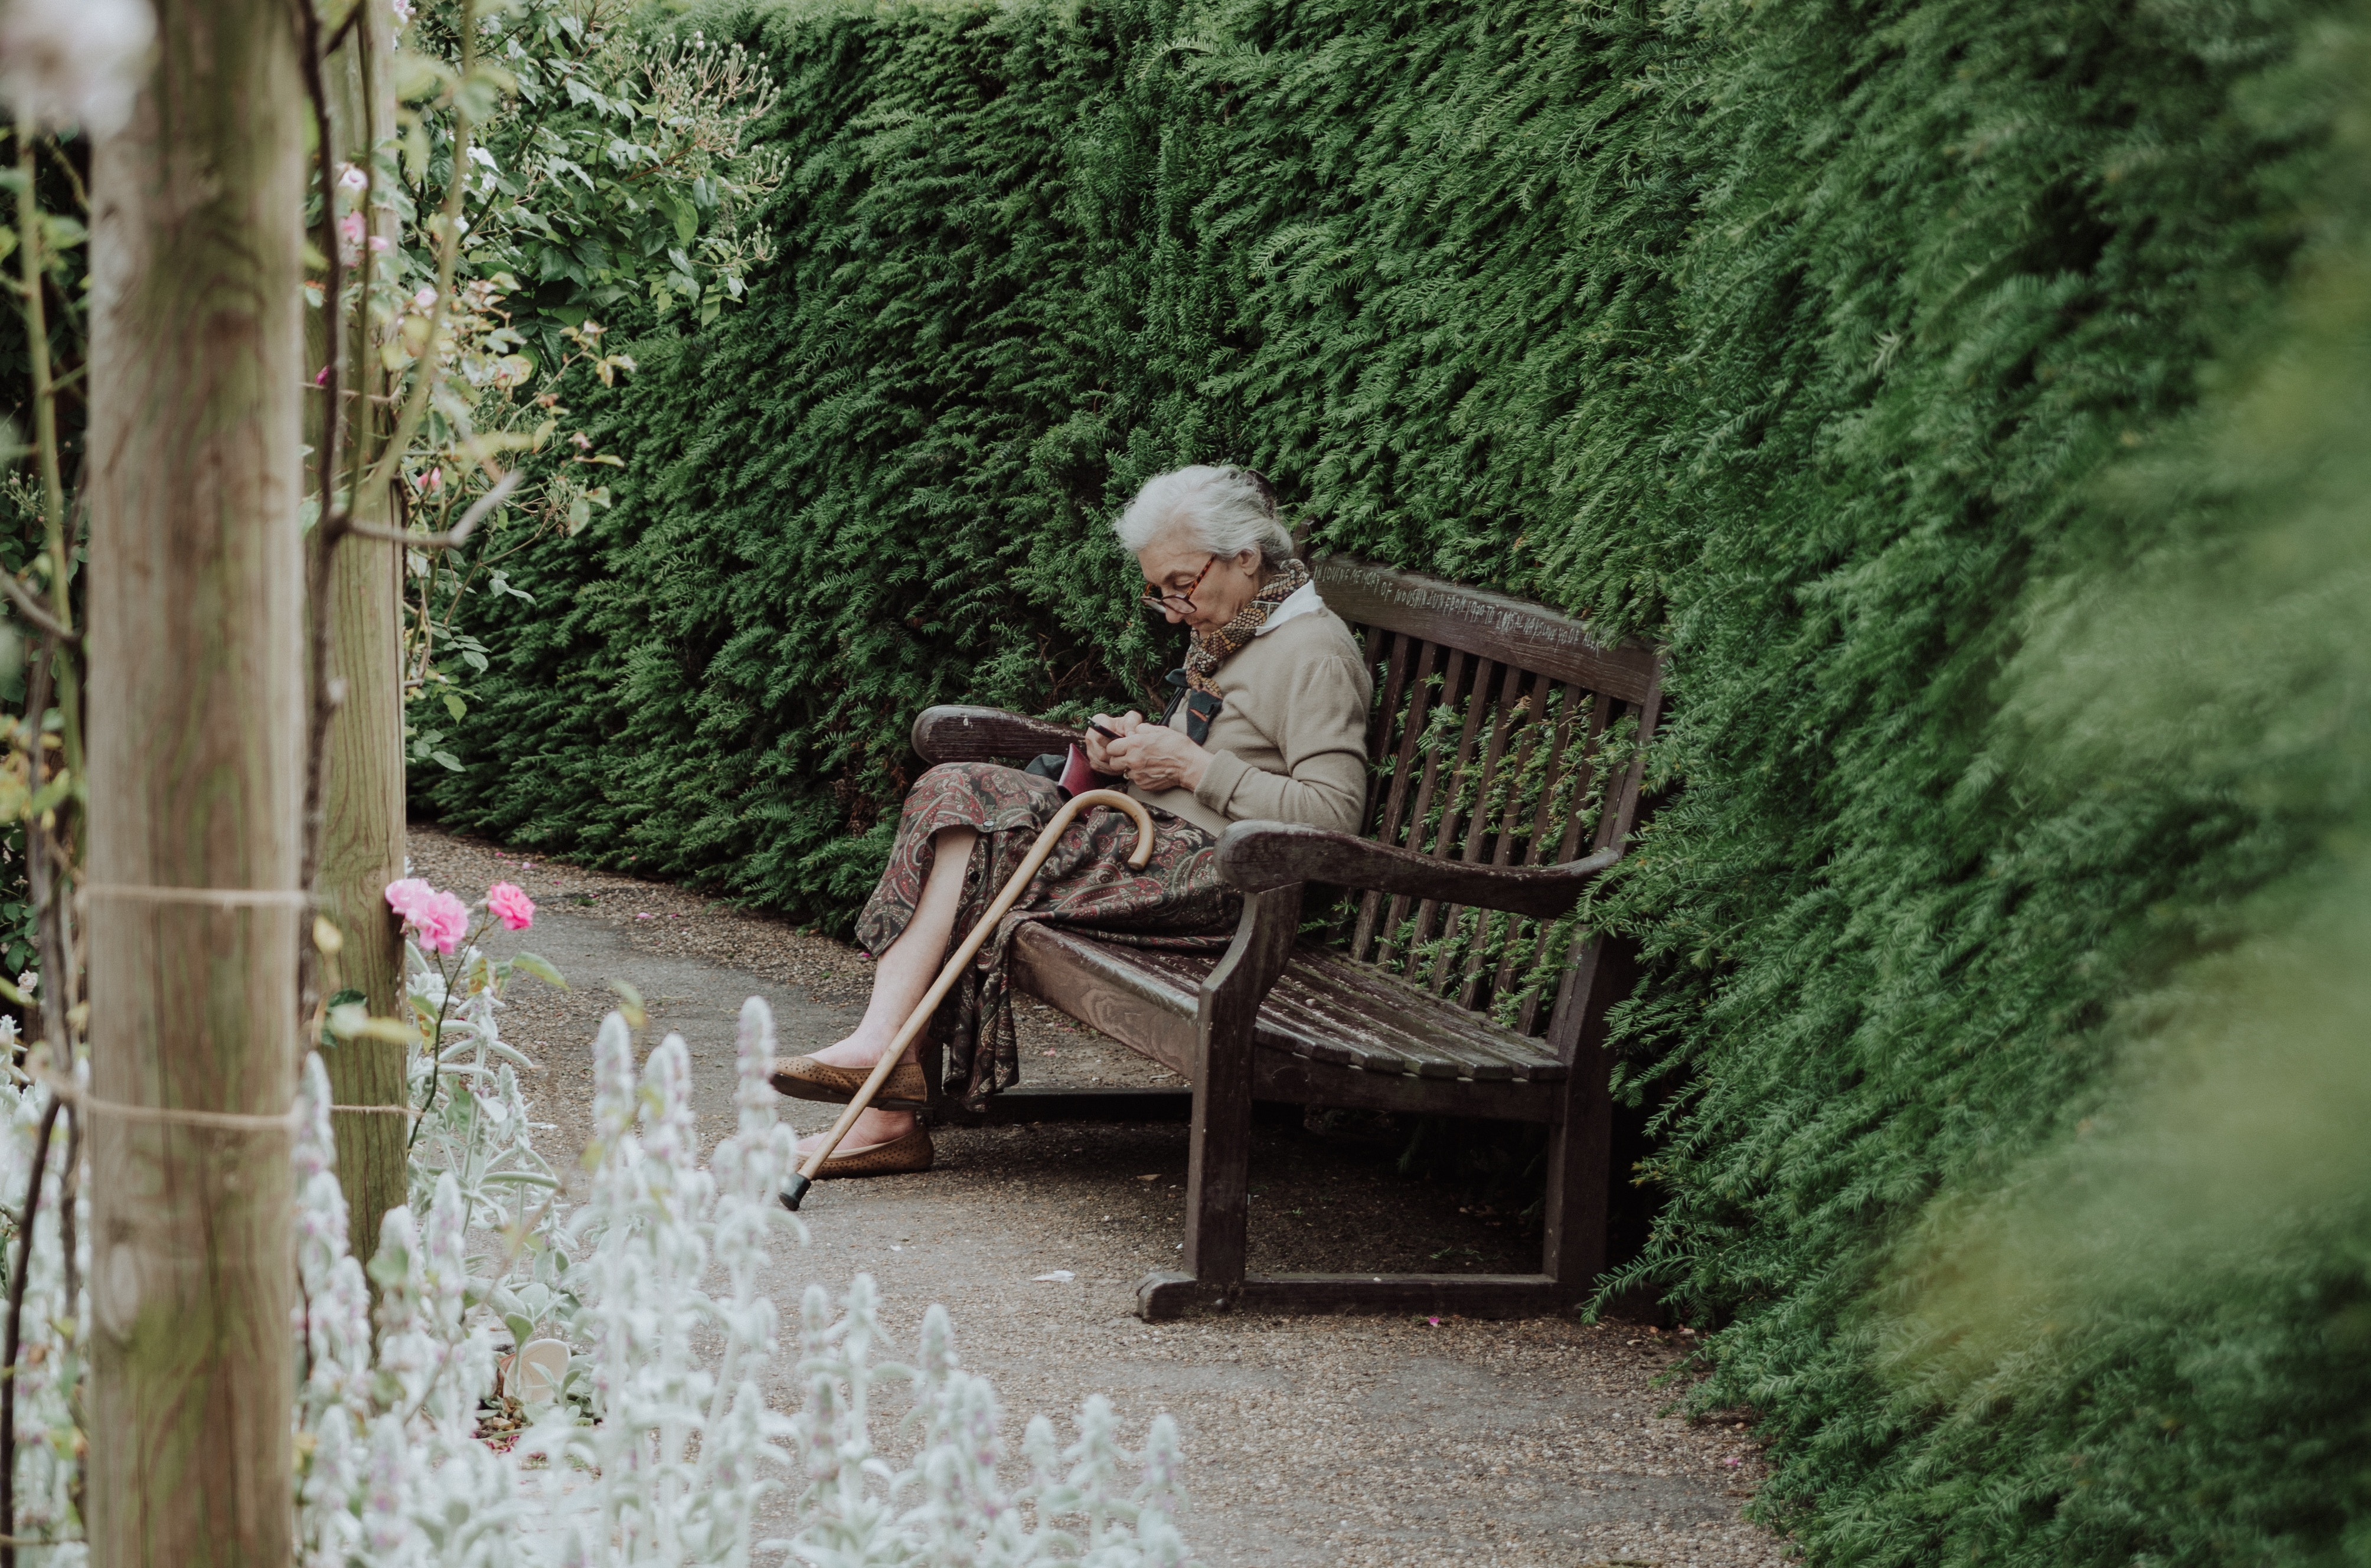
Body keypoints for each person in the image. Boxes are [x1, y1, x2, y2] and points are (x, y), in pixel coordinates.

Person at [770, 464, 1374, 1175]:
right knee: (957, 800)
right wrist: (1129, 756)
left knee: (968, 807)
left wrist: (1188, 768)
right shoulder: (1237, 626)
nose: (1172, 606)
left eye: (1181, 584)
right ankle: (885, 1078)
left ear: (1246, 555)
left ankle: (885, 1094)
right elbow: (1215, 756)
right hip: (1155, 846)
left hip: (1225, 882)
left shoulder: (1311, 650)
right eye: (1158, 590)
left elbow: (1335, 818)